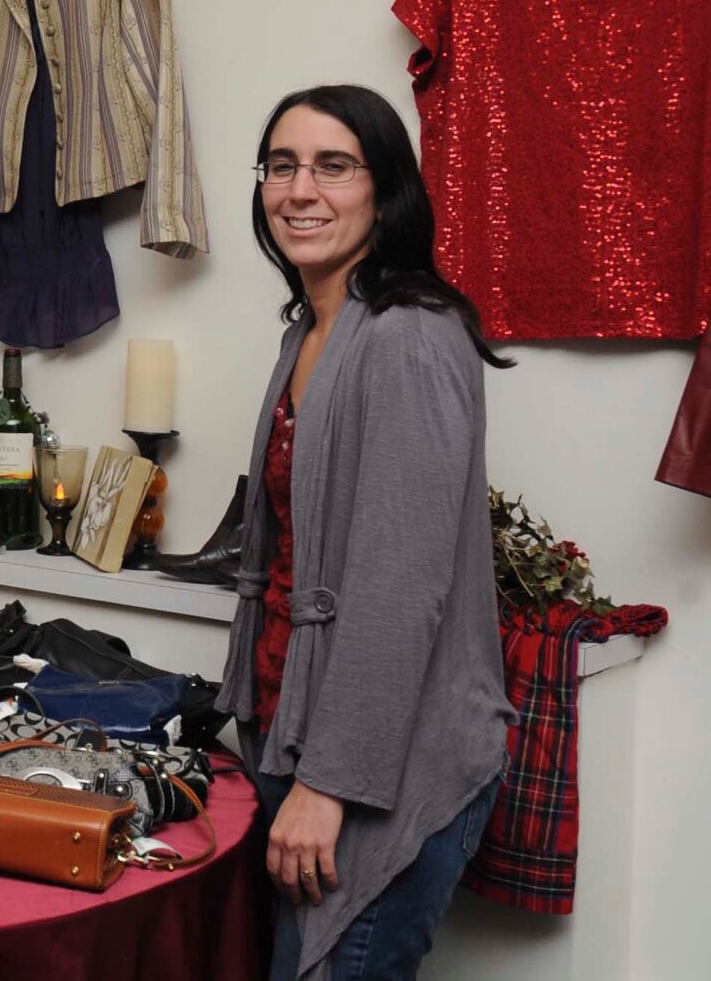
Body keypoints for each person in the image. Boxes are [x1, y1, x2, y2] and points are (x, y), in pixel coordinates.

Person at [217, 85, 516, 981]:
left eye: (332, 167)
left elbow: (396, 589)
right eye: (281, 166)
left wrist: (328, 787)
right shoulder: (313, 327)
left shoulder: (411, 337)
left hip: (374, 764)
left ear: (385, 193)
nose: (299, 190)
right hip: (294, 732)